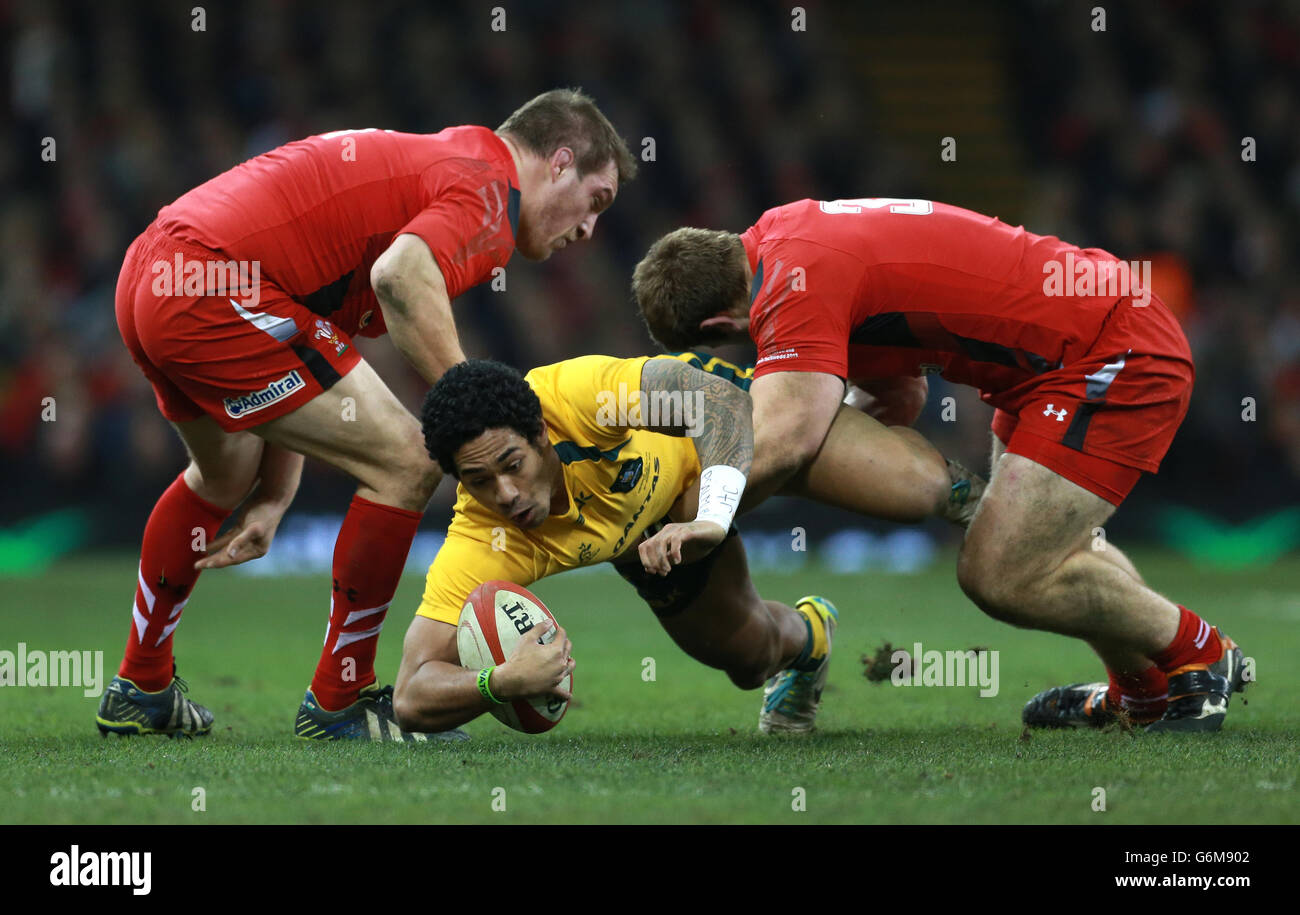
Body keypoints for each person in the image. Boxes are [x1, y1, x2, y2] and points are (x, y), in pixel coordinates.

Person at [100, 89, 637, 742]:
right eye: (596, 201)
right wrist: (484, 423)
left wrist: (274, 492)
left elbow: (306, 328)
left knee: (222, 475)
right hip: (216, 284)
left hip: (157, 278)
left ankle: (141, 685)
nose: (588, 230)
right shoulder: (489, 190)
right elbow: (401, 275)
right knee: (409, 461)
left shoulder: (450, 163)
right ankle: (339, 699)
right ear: (557, 163)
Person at [633, 197, 1248, 732]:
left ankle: (1201, 651)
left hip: (1106, 352)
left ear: (717, 325)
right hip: (1056, 356)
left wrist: (689, 517)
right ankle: (1142, 693)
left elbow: (783, 443)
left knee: (999, 573)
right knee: (1047, 548)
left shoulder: (791, 290)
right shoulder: (784, 235)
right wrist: (858, 454)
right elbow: (900, 397)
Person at [393, 354, 839, 736]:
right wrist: (500, 681)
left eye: (512, 464)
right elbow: (410, 697)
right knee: (750, 661)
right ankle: (812, 634)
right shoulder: (482, 536)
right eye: (479, 481)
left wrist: (709, 516)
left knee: (908, 488)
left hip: (725, 427)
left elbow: (718, 405)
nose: (505, 494)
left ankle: (856, 386)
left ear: (540, 432)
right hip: (651, 539)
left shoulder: (576, 398)